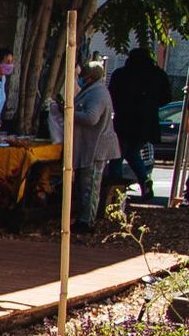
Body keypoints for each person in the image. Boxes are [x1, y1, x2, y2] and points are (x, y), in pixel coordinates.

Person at [109, 48, 169, 200]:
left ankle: (115, 192)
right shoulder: (158, 75)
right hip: (146, 124)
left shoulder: (121, 74)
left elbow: (112, 96)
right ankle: (144, 180)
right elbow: (166, 98)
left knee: (117, 156)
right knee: (132, 153)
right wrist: (150, 104)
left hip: (124, 121)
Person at [72, 59, 120, 230]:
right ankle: (85, 218)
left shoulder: (98, 93)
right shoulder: (93, 90)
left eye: (83, 75)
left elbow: (91, 118)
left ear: (90, 77)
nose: (81, 78)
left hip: (96, 147)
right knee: (87, 184)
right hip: (90, 145)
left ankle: (87, 221)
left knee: (91, 185)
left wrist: (69, 112)